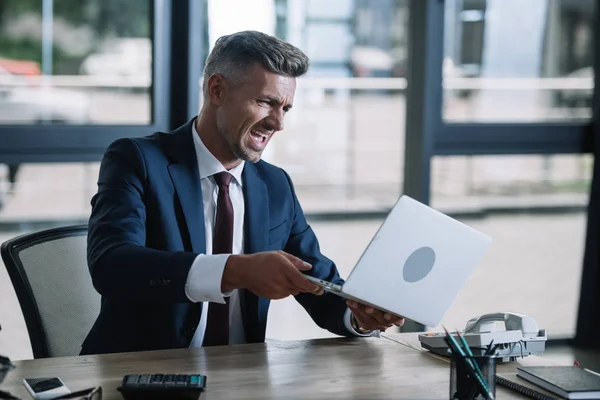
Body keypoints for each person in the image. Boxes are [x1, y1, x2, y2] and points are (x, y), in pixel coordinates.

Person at [81, 30, 405, 355]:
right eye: (265, 102)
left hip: (241, 380)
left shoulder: (275, 185)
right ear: (217, 89)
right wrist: (235, 270)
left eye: (286, 109)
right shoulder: (137, 160)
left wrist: (361, 316)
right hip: (139, 375)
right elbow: (111, 265)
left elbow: (319, 286)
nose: (277, 123)